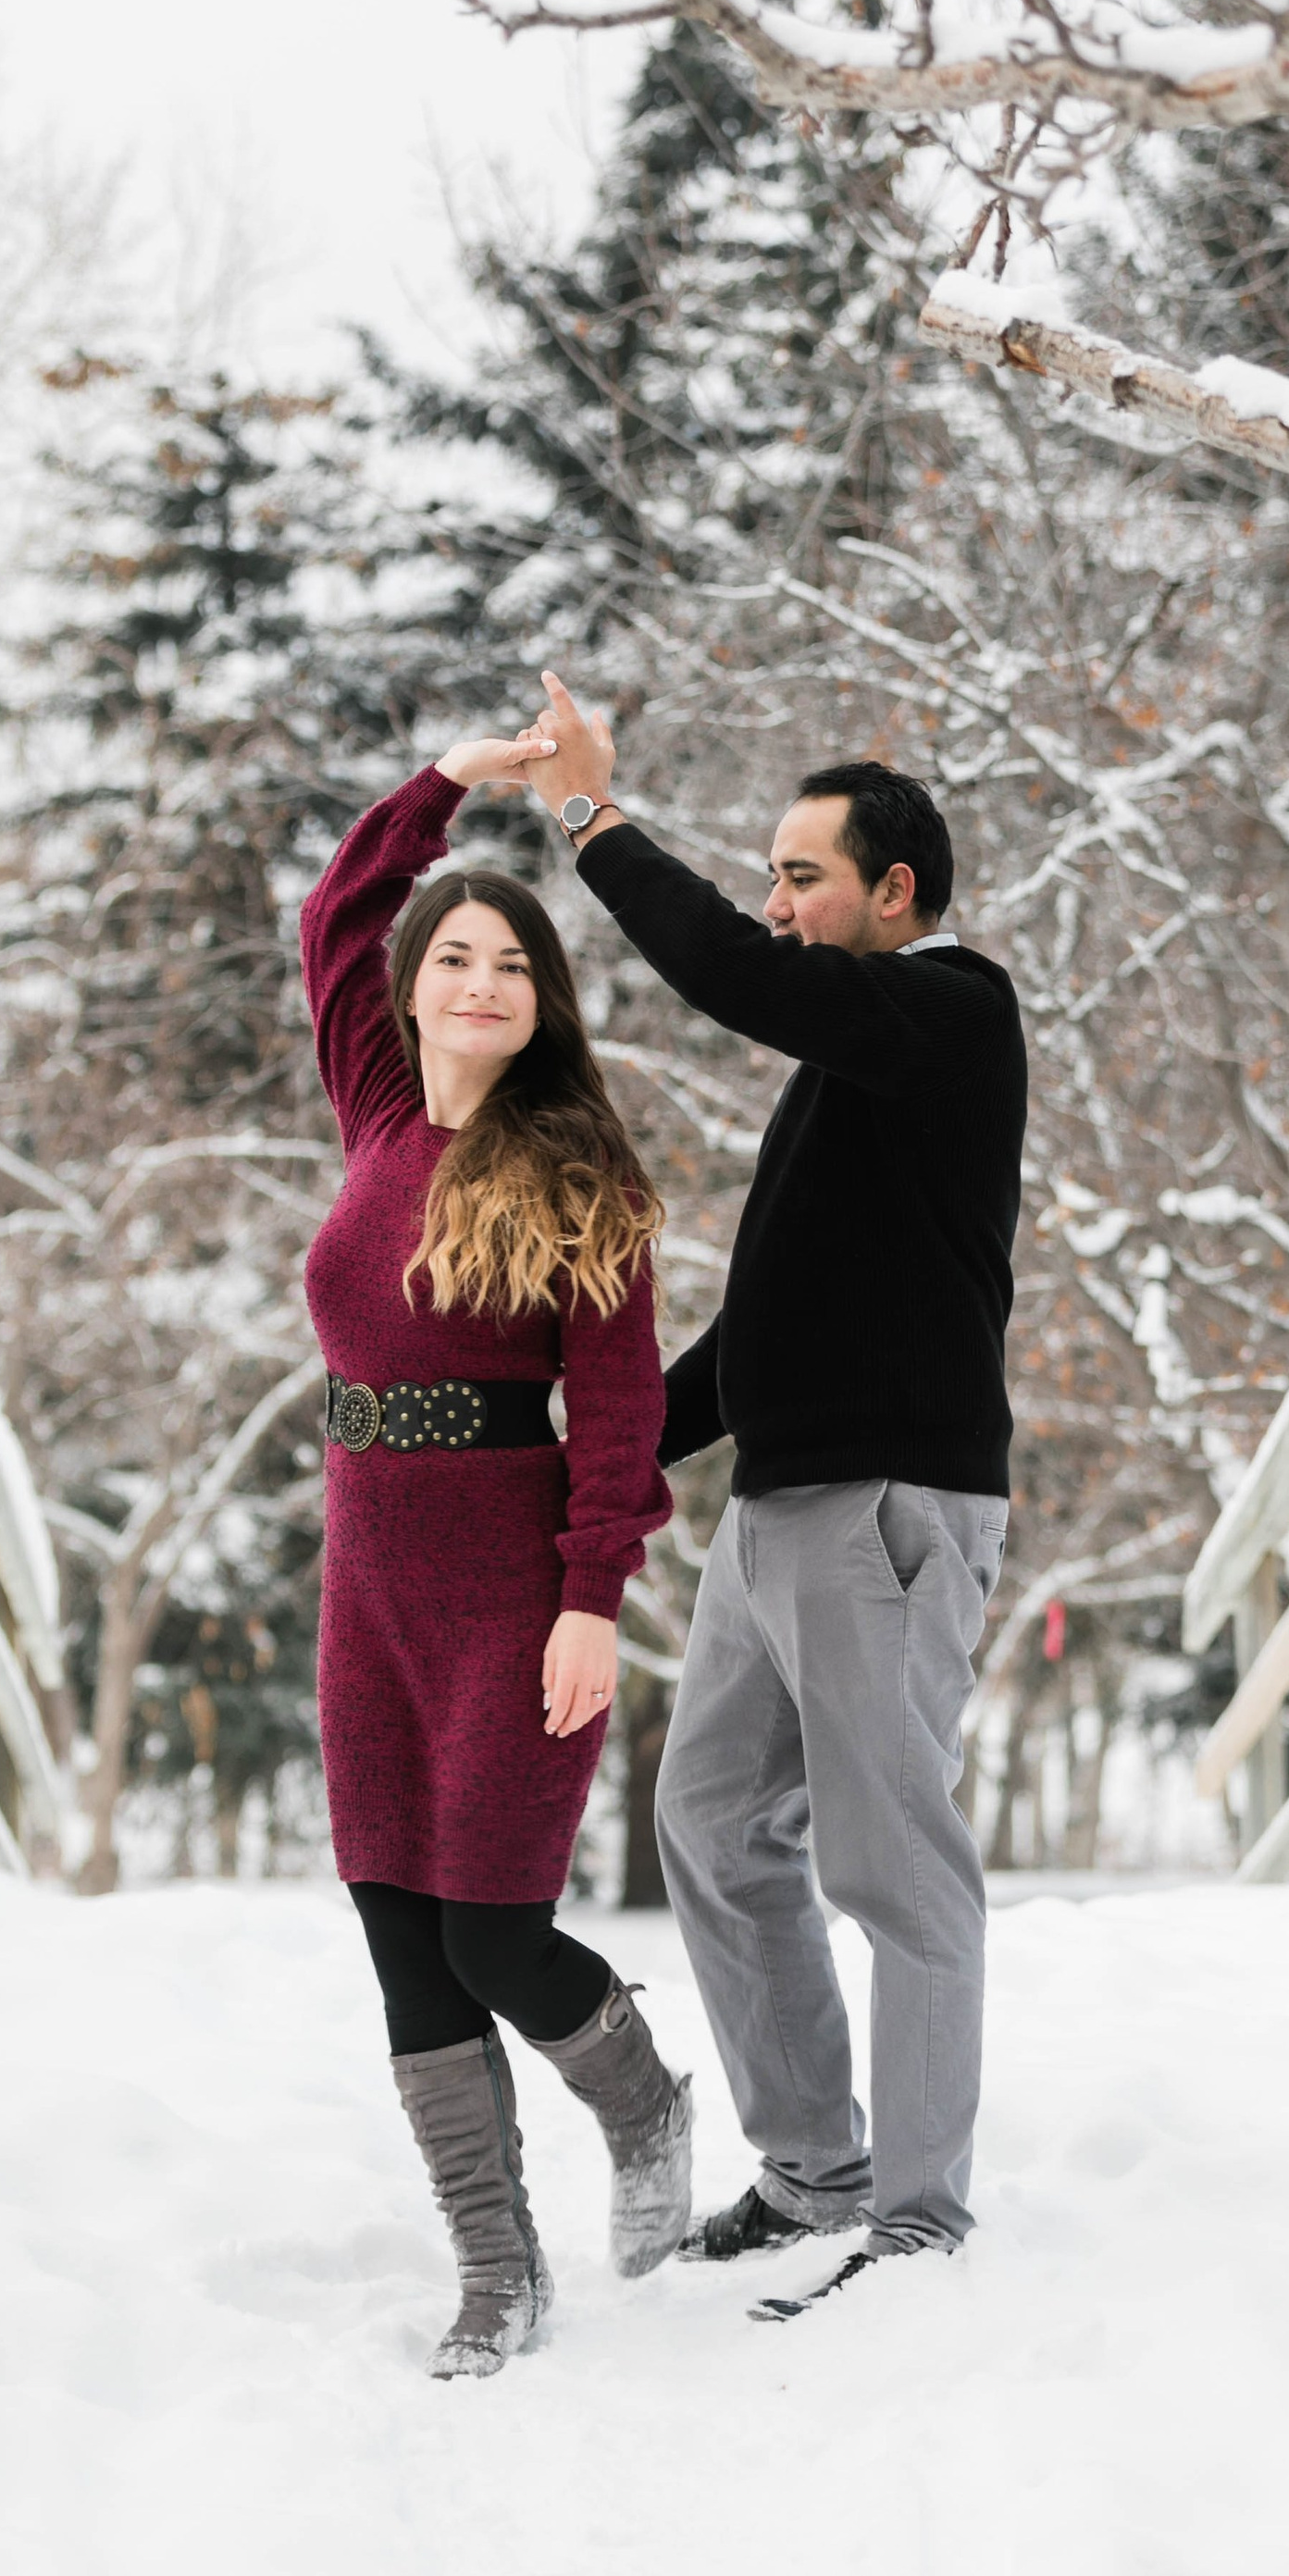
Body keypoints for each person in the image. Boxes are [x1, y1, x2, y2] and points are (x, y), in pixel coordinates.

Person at [523, 674, 1026, 2321]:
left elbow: (735, 972)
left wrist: (592, 816)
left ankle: (921, 2223)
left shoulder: (953, 1011)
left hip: (888, 1508)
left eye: (804, 876)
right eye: (772, 876)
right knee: (715, 1827)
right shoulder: (854, 1065)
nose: (778, 903)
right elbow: (770, 1329)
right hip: (779, 1509)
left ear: (897, 890)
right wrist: (603, 1449)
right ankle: (817, 2169)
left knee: (894, 1867)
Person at [300, 735, 694, 2378]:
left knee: (492, 1934)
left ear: (544, 1002)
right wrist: (445, 782)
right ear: (414, 989)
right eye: (454, 958)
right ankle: (496, 2266)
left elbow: (620, 1413)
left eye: (512, 965)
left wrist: (592, 1602)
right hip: (368, 1592)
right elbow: (339, 911)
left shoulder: (578, 1172)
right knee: (400, 1929)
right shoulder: (379, 1113)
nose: (480, 983)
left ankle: (645, 2104)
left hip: (514, 1595)